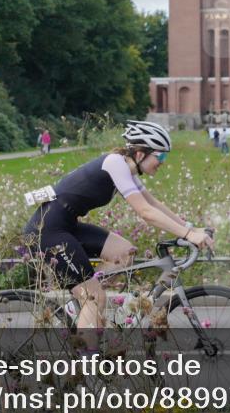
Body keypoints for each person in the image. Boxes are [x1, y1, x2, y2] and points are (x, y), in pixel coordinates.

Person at [23, 120, 213, 355]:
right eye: (161, 157)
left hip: (66, 225)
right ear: (141, 153)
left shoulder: (127, 169)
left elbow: (153, 203)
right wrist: (188, 235)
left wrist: (190, 227)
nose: (163, 163)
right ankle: (83, 368)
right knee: (94, 298)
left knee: (124, 253)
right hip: (48, 230)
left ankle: (85, 312)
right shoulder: (115, 163)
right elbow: (145, 213)